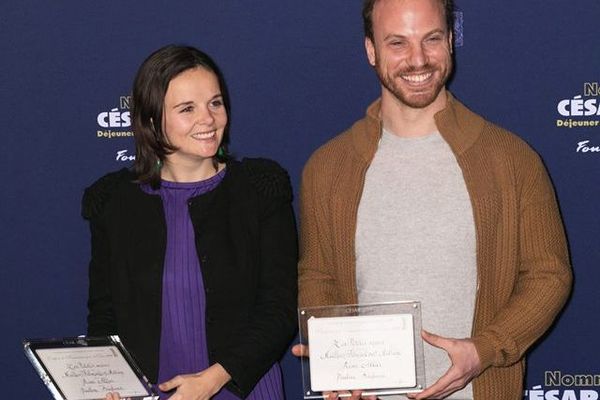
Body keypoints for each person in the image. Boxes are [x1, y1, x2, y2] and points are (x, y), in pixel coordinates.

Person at [294, 0, 572, 399]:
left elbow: (549, 274)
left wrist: (486, 348)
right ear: (370, 50)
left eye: (432, 39)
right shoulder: (327, 167)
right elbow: (317, 277)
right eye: (397, 43)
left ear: (451, 42)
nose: (418, 59)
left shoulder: (511, 159)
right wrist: (329, 348)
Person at [82, 45, 298, 400]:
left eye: (215, 102)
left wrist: (213, 380)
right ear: (152, 120)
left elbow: (279, 309)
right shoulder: (113, 202)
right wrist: (108, 384)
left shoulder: (260, 189)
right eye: (187, 109)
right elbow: (104, 314)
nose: (209, 119)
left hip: (242, 389)